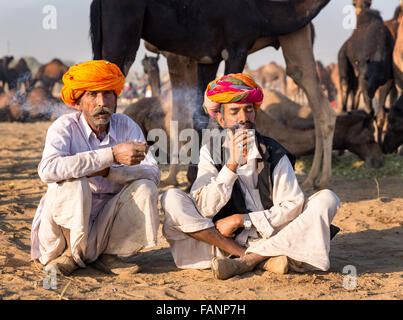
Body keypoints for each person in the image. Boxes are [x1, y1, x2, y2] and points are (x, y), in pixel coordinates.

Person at [161, 73, 340, 280]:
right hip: (223, 243)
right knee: (171, 198)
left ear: (255, 113)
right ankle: (259, 258)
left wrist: (243, 220)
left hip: (273, 235)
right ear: (221, 118)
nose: (243, 118)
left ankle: (248, 262)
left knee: (327, 199)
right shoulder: (210, 151)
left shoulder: (273, 152)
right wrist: (231, 166)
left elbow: (292, 205)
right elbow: (204, 208)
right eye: (234, 112)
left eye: (248, 110)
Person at [30, 60, 161, 276]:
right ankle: (70, 255)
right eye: (92, 95)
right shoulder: (64, 127)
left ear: (116, 97)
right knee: (75, 182)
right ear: (79, 100)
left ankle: (109, 253)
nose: (102, 102)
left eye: (108, 94)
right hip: (65, 230)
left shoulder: (126, 126)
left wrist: (109, 171)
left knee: (145, 187)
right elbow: (47, 169)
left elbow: (153, 173)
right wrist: (111, 155)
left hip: (105, 221)